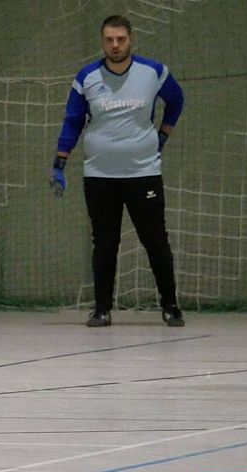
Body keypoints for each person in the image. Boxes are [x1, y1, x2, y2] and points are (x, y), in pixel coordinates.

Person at [50, 15, 185, 328]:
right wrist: (60, 162)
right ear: (102, 42)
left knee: (156, 240)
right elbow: (73, 121)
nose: (115, 45)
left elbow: (177, 101)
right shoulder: (87, 76)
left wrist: (162, 136)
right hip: (100, 175)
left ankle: (171, 306)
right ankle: (101, 309)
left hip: (143, 173)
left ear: (130, 39)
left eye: (120, 39)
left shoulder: (153, 72)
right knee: (105, 243)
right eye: (109, 40)